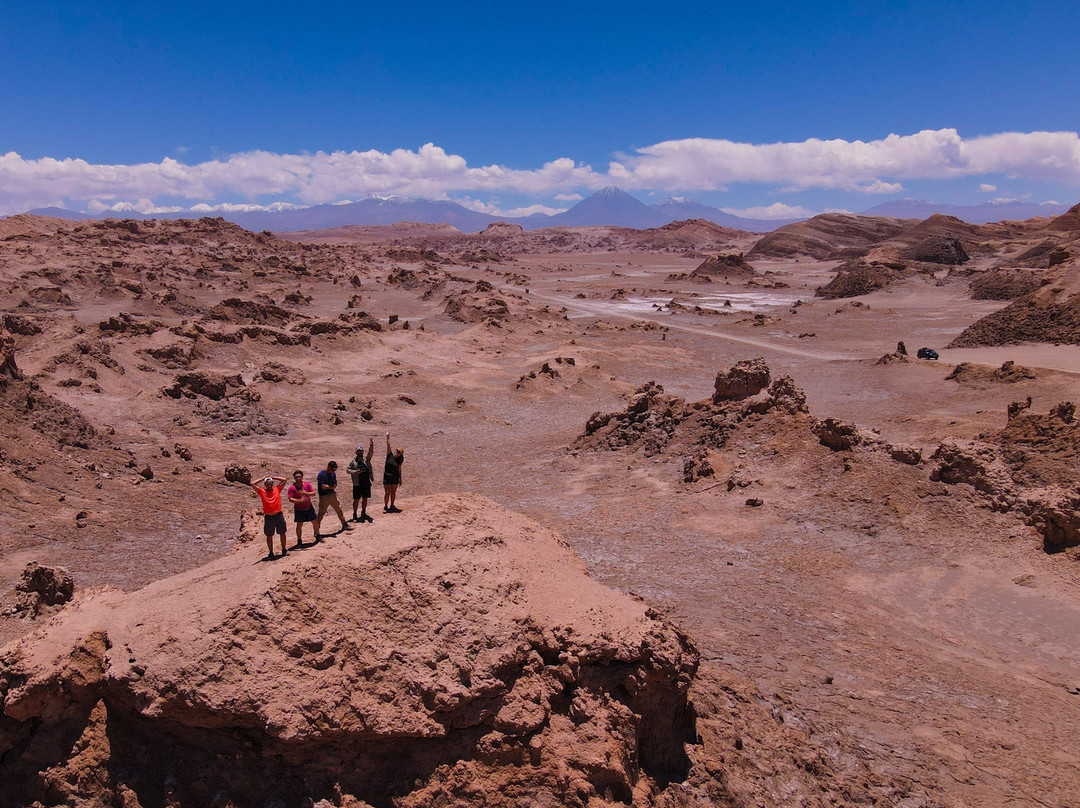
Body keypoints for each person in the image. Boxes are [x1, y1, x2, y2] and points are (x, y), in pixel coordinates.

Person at [252, 475, 288, 559]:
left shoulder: (277, 489)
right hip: (269, 517)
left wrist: (273, 477)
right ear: (264, 484)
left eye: (270, 484)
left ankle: (284, 549)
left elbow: (285, 479)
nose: (269, 486)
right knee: (269, 535)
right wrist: (263, 477)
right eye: (267, 484)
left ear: (272, 483)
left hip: (278, 515)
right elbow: (252, 483)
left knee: (282, 533)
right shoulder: (262, 491)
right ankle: (271, 552)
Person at [315, 460, 351, 539]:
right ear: (328, 467)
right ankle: (316, 531)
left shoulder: (333, 473)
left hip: (332, 494)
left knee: (339, 509)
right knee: (321, 514)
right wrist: (330, 486)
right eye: (332, 470)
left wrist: (329, 486)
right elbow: (323, 487)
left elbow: (334, 485)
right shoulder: (321, 474)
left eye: (334, 470)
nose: (333, 472)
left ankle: (344, 524)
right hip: (324, 497)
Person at [347, 438, 375, 522]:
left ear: (362, 452)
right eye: (358, 451)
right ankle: (355, 513)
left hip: (366, 482)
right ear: (356, 452)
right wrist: (356, 471)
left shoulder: (366, 460)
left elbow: (370, 453)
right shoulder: (353, 461)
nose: (359, 453)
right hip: (357, 483)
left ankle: (363, 512)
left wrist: (371, 445)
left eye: (361, 451)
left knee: (365, 498)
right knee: (356, 499)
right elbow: (348, 470)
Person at [287, 470, 317, 547]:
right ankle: (299, 540)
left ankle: (318, 535)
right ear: (294, 478)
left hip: (309, 507)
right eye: (297, 477)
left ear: (302, 477)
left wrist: (305, 493)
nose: (298, 478)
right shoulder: (292, 488)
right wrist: (300, 501)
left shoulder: (307, 485)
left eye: (300, 477)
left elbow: (313, 493)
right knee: (299, 525)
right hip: (299, 509)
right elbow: (290, 499)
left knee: (314, 522)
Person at [383, 431, 404, 513]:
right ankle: (385, 506)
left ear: (401, 454)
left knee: (393, 492)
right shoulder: (389, 455)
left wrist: (400, 479)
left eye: (399, 452)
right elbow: (388, 445)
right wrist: (388, 437)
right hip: (387, 477)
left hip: (395, 477)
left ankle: (392, 505)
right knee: (387, 492)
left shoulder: (399, 460)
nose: (396, 453)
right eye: (396, 451)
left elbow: (399, 469)